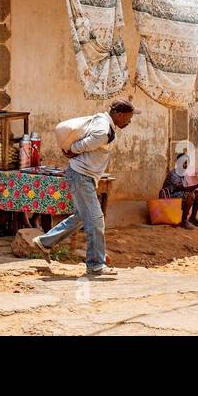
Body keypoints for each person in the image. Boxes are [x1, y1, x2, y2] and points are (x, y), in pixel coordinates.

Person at [32, 100, 137, 278]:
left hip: (82, 175)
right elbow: (85, 144)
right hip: (81, 176)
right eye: (128, 118)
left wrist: (74, 151)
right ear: (119, 115)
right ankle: (95, 265)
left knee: (83, 217)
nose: (129, 121)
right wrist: (73, 150)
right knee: (96, 221)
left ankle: (44, 242)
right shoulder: (103, 131)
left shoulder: (103, 122)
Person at [160, 150, 198, 229]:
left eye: (187, 163)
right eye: (184, 163)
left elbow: (184, 189)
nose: (186, 165)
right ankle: (184, 221)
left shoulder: (183, 174)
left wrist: (197, 187)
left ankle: (193, 218)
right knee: (190, 195)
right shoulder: (173, 174)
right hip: (168, 198)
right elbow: (182, 188)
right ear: (178, 163)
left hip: (178, 195)